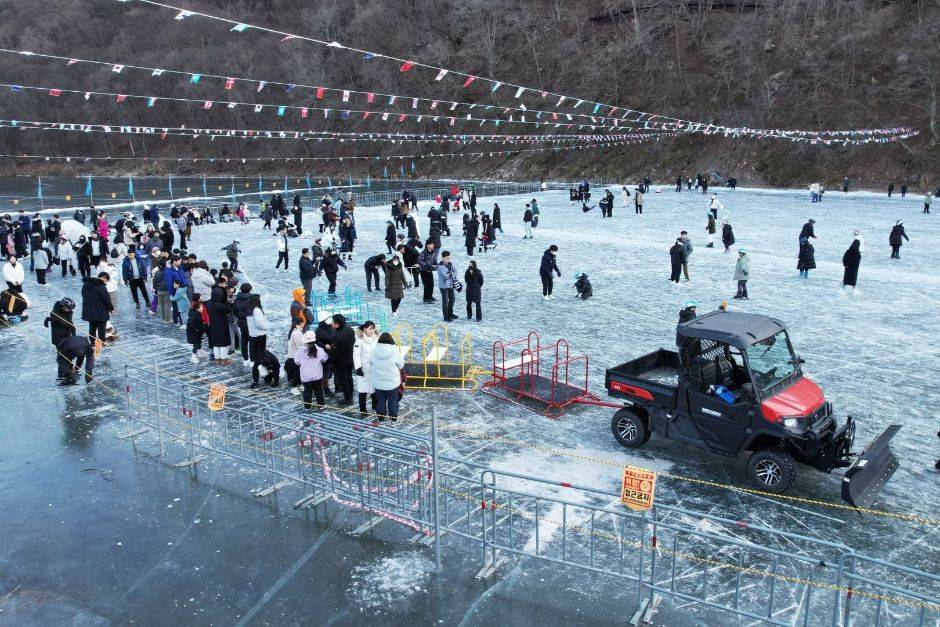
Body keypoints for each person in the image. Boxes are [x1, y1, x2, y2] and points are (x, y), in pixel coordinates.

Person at [369, 332, 405, 421]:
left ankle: (381, 417)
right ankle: (393, 418)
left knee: (380, 401)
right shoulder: (394, 352)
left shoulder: (374, 351)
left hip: (378, 383)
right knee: (392, 402)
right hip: (392, 383)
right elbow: (401, 365)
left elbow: (370, 362)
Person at [295, 330, 329, 411]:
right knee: (319, 391)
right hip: (317, 375)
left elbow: (296, 361)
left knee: (307, 391)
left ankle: (307, 407)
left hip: (306, 376)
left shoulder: (300, 351)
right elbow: (325, 359)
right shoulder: (319, 349)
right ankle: (321, 406)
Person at [45, 297, 76, 380]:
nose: (69, 310)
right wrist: (48, 320)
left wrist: (74, 333)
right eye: (68, 308)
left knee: (69, 353)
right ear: (63, 306)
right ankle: (62, 373)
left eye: (70, 309)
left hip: (67, 336)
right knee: (61, 356)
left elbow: (70, 322)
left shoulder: (69, 312)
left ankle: (70, 369)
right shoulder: (54, 313)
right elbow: (64, 323)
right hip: (58, 338)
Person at [353, 321, 378, 415]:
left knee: (374, 389)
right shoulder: (359, 341)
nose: (372, 331)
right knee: (363, 390)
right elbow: (356, 355)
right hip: (364, 370)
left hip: (375, 369)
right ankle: (362, 409)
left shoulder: (376, 339)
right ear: (365, 329)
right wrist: (358, 368)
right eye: (370, 329)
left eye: (373, 328)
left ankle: (375, 406)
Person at [330, 313, 356, 406]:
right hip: (350, 358)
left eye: (333, 322)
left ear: (337, 324)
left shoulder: (336, 335)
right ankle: (351, 393)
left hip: (341, 361)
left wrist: (332, 362)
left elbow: (336, 351)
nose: (332, 323)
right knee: (349, 376)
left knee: (342, 379)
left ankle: (348, 397)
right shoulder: (350, 329)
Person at [81, 272, 113, 344]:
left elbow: (83, 295)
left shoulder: (86, 284)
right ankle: (102, 342)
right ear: (104, 278)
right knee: (101, 328)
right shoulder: (101, 286)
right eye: (106, 280)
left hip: (89, 310)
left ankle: (92, 342)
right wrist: (111, 308)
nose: (105, 282)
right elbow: (106, 300)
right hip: (101, 311)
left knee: (92, 327)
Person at [205, 289, 233, 364]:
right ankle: (224, 359)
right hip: (221, 325)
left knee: (215, 343)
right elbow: (229, 310)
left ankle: (217, 359)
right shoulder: (220, 305)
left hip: (212, 324)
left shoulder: (209, 303)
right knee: (223, 343)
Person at [246, 293, 271, 367]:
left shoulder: (249, 308)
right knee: (261, 351)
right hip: (260, 334)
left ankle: (253, 362)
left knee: (253, 349)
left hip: (252, 333)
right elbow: (259, 323)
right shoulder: (256, 310)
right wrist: (267, 327)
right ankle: (259, 365)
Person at [437, 251, 459, 321]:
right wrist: (451, 274)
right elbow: (445, 276)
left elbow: (456, 271)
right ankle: (446, 316)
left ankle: (450, 313)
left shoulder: (450, 264)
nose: (448, 259)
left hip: (450, 285)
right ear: (443, 258)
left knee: (452, 299)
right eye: (447, 257)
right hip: (443, 286)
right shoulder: (440, 266)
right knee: (445, 301)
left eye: (449, 257)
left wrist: (450, 274)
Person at [284, 321, 305, 394]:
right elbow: (300, 345)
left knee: (294, 371)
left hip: (293, 355)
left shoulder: (295, 331)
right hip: (295, 356)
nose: (303, 325)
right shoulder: (297, 333)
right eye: (301, 323)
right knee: (297, 371)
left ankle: (293, 381)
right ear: (296, 324)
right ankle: (296, 385)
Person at [186, 294, 208, 363]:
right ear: (197, 309)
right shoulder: (194, 316)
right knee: (196, 344)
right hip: (193, 333)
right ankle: (193, 356)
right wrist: (196, 329)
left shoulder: (196, 313)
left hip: (197, 332)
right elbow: (190, 323)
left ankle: (200, 351)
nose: (202, 309)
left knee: (199, 341)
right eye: (201, 308)